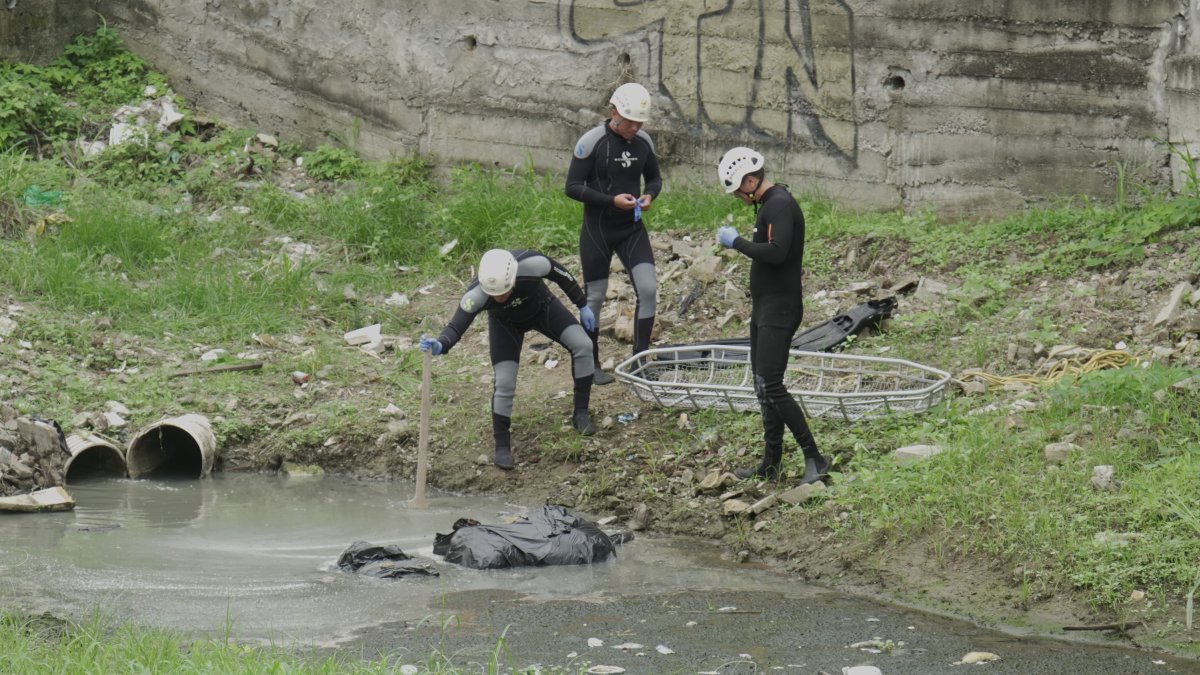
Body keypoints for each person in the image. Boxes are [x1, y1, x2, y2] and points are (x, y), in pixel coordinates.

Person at [419, 249, 598, 470]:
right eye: (494, 294)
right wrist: (441, 344)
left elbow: (562, 274)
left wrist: (582, 305)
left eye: (503, 292)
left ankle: (581, 413)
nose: (499, 298)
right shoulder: (475, 295)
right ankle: (502, 446)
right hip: (505, 325)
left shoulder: (532, 264)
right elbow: (456, 326)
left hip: (543, 307)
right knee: (504, 382)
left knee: (583, 345)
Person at [715, 147, 831, 485]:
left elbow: (778, 253)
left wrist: (736, 243)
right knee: (762, 384)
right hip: (766, 306)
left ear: (750, 181)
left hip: (781, 308)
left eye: (737, 190)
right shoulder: (769, 205)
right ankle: (771, 462)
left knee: (772, 384)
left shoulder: (779, 204)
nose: (737, 197)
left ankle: (815, 457)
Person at [565, 81, 663, 385]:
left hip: (631, 229)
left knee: (648, 290)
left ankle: (640, 360)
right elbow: (572, 187)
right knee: (594, 298)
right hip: (598, 230)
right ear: (614, 112)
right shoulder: (592, 142)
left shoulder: (644, 141)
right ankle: (590, 364)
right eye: (629, 121)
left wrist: (649, 195)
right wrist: (611, 201)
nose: (635, 127)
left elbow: (655, 178)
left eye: (639, 122)